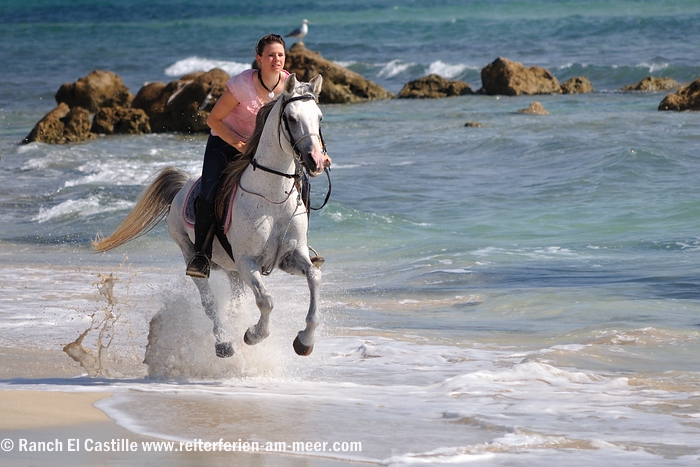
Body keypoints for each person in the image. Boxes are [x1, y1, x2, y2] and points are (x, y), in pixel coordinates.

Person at [186, 34, 321, 279]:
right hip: (227, 141)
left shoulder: (291, 85)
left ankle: (302, 246)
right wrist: (239, 144)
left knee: (303, 184)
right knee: (210, 190)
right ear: (259, 58)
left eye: (280, 55)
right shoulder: (240, 85)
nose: (276, 59)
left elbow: (304, 121)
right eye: (270, 55)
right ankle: (201, 255)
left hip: (264, 148)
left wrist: (319, 152)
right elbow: (213, 119)